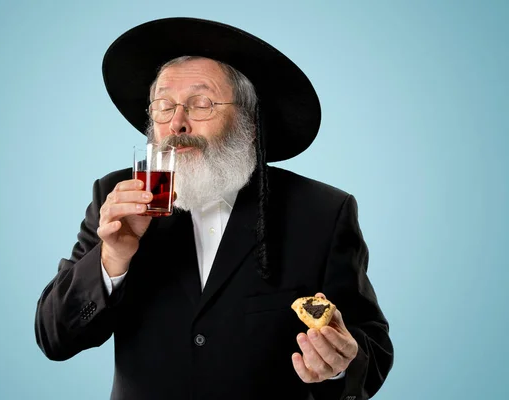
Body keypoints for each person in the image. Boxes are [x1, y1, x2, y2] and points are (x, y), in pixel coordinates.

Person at [35, 17, 394, 400]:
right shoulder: (117, 195)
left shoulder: (323, 212)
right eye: (163, 106)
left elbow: (371, 348)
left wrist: (340, 366)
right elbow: (54, 337)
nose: (177, 123)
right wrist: (112, 259)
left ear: (249, 123)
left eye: (201, 104)